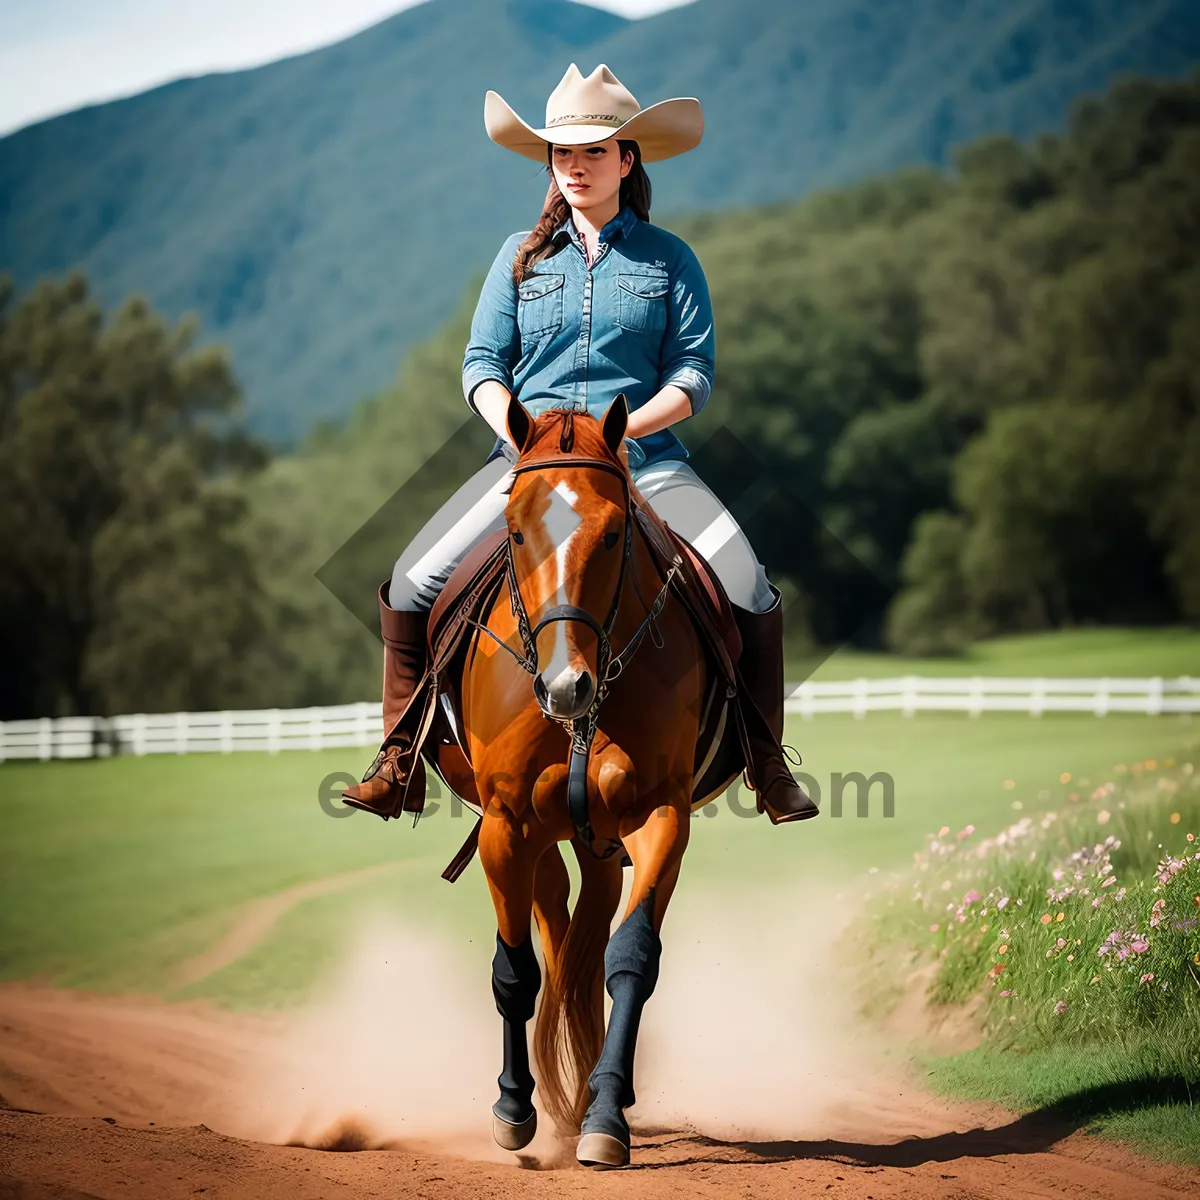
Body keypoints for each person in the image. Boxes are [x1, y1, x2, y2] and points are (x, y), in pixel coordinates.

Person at [343, 63, 816, 825]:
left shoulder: (670, 260)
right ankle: (399, 762)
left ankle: (766, 765)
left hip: (647, 467)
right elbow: (480, 366)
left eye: (593, 153)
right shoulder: (517, 258)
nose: (575, 167)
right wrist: (520, 436)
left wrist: (623, 432)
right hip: (527, 469)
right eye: (562, 154)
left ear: (628, 160)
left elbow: (693, 375)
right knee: (409, 584)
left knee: (751, 588)